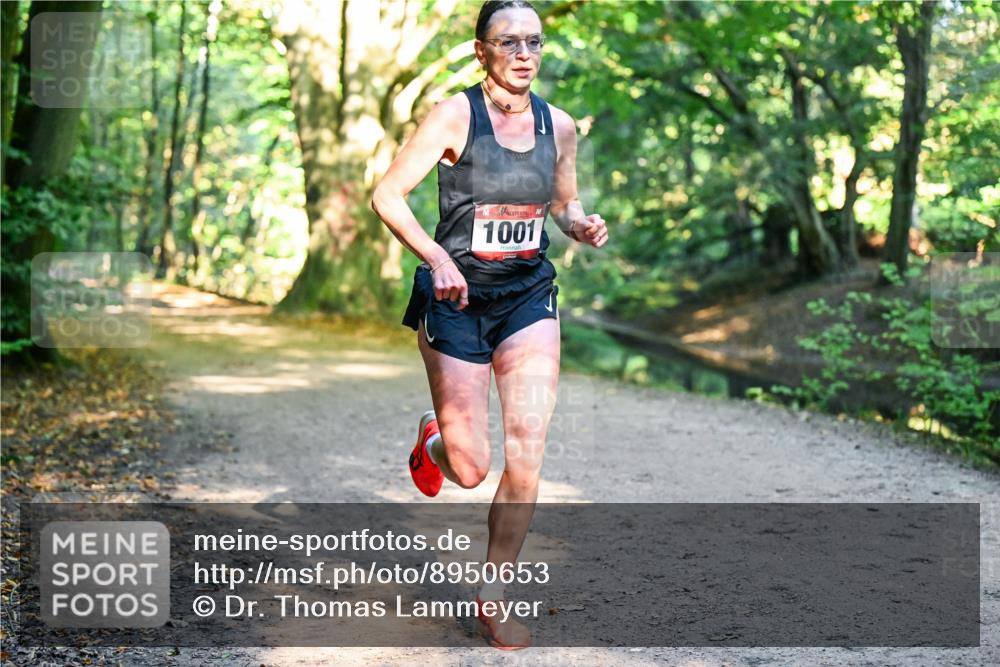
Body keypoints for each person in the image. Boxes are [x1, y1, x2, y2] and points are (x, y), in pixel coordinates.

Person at [370, 0, 608, 650]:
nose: (524, 53)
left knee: (527, 447)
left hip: (527, 296)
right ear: (482, 51)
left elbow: (563, 201)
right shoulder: (454, 116)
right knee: (471, 467)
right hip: (456, 301)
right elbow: (387, 195)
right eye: (509, 42)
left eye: (534, 41)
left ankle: (494, 592)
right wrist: (438, 255)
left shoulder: (558, 126)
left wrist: (580, 224)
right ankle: (436, 440)